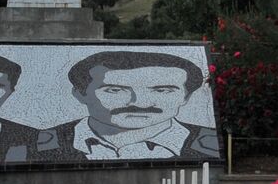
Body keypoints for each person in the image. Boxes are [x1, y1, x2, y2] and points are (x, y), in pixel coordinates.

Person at [43, 50, 220, 161]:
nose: (139, 103)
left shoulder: (210, 143)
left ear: (186, 96)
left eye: (163, 90)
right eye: (115, 90)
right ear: (80, 93)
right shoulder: (35, 143)